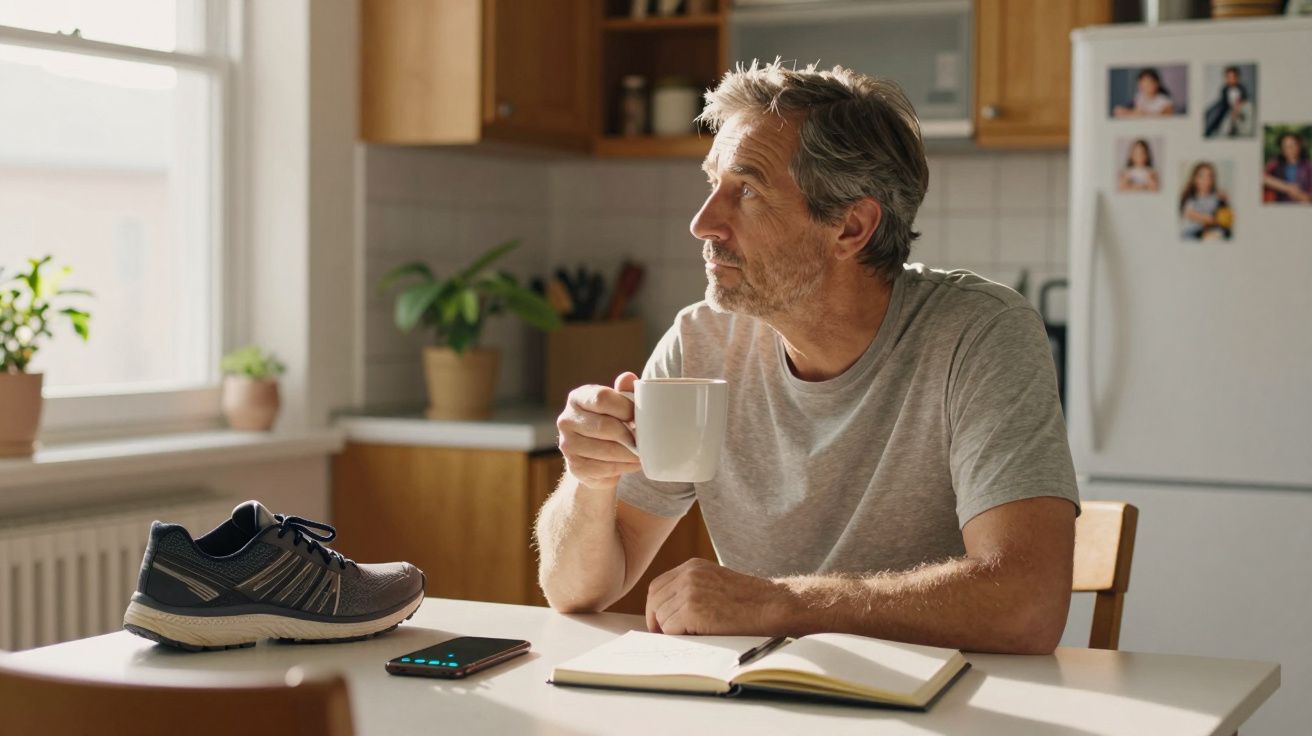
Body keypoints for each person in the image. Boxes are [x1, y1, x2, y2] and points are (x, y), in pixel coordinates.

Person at [535, 61, 1079, 655]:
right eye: (711, 183)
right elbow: (575, 593)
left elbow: (1026, 605)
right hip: (762, 695)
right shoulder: (701, 344)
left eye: (745, 191)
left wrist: (781, 604)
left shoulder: (978, 335)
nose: (702, 223)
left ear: (850, 227)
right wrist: (590, 481)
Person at [1180, 162, 1232, 240]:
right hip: (1193, 230)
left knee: (1222, 234)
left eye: (1210, 176)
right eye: (1202, 177)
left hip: (1211, 229)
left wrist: (1224, 200)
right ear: (1195, 179)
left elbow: (1224, 213)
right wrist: (1209, 219)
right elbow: (1189, 213)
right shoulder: (1192, 198)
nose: (1206, 180)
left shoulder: (1216, 196)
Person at [1262, 131, 1312, 204]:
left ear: (1299, 146)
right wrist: (1287, 188)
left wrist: (1303, 197)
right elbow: (1261, 177)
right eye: (1284, 146)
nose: (1288, 150)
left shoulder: (1308, 166)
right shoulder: (1275, 164)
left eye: (1291, 146)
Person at [1204, 66, 1250, 138]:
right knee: (1212, 110)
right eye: (1228, 77)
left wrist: (1238, 105)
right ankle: (1211, 128)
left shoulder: (1241, 88)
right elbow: (1223, 99)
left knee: (1233, 116)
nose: (1230, 80)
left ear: (1237, 78)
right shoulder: (1225, 88)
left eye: (1233, 78)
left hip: (1237, 106)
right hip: (1226, 105)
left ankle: (1232, 129)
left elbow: (1244, 98)